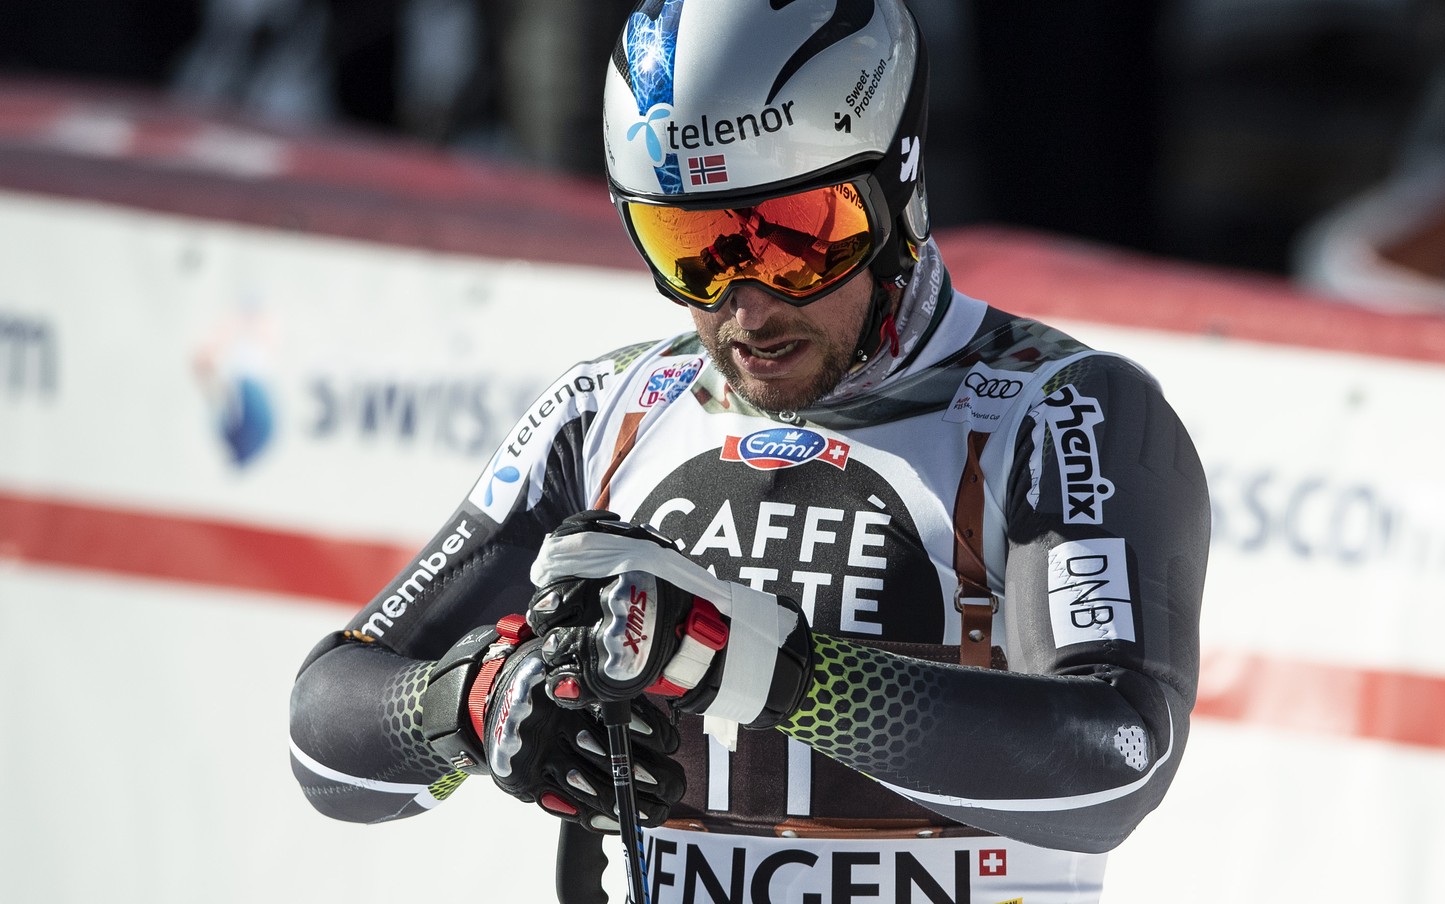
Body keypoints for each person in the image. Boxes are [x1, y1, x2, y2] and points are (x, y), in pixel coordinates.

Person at [288, 2, 1210, 902]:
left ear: (900, 194)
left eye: (799, 240)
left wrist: (777, 673)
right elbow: (325, 738)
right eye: (691, 245)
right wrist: (470, 705)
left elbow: (1116, 761)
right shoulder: (604, 410)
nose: (747, 305)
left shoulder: (1063, 410)